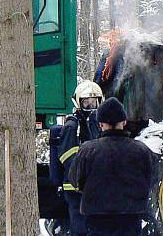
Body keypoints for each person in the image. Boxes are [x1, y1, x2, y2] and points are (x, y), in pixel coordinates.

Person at [69, 97, 156, 236]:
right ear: (124, 122)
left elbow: (75, 180)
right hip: (131, 220)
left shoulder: (88, 150)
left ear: (100, 124)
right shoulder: (142, 150)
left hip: (97, 221)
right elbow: (151, 179)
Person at [57, 80, 104, 236]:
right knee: (80, 227)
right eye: (86, 102)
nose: (91, 106)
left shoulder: (97, 124)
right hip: (75, 188)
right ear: (78, 102)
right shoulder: (72, 126)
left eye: (94, 101)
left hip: (93, 186)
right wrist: (81, 178)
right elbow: (67, 156)